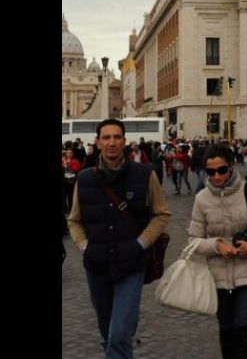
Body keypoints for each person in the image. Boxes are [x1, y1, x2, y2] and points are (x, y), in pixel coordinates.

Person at [67, 118, 171, 358]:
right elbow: (74, 220)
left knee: (119, 335)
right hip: (97, 265)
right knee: (108, 333)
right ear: (98, 143)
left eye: (116, 137)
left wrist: (140, 243)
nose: (112, 142)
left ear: (124, 141)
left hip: (131, 264)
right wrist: (84, 246)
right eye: (106, 137)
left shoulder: (145, 174)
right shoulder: (84, 179)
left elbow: (162, 214)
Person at [188, 144, 247, 359]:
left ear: (231, 167)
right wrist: (216, 245)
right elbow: (193, 240)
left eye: (221, 170)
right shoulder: (201, 199)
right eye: (210, 172)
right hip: (218, 275)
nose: (217, 176)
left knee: (244, 325)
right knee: (227, 329)